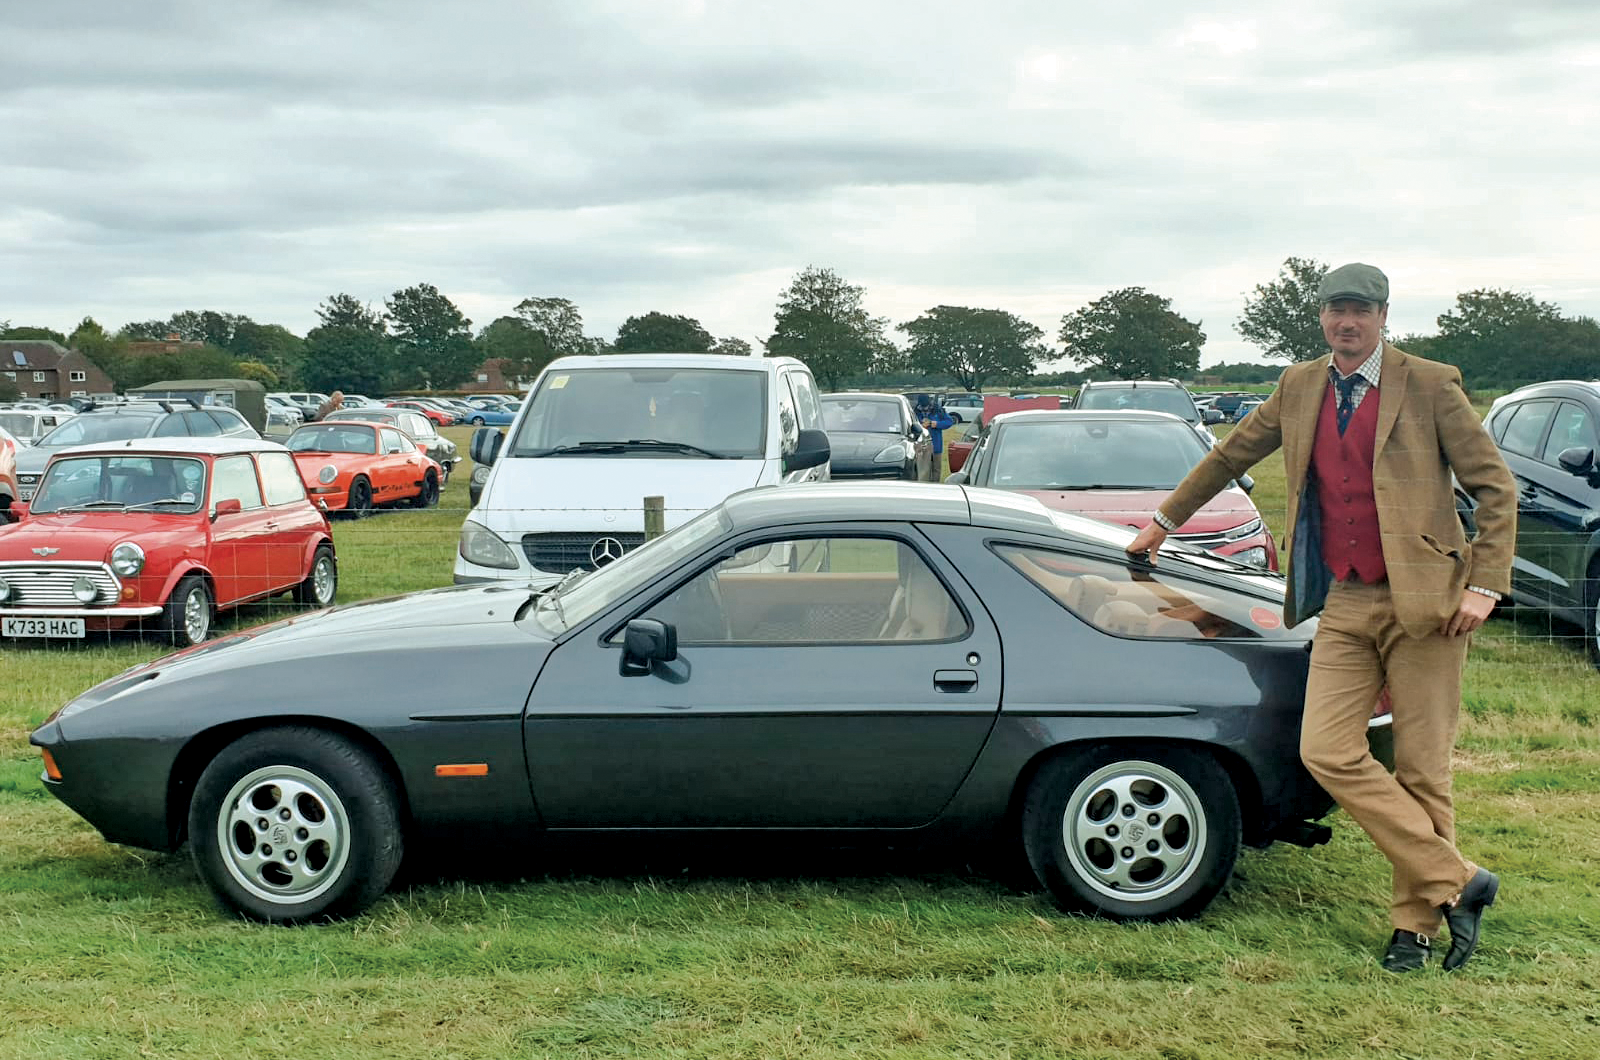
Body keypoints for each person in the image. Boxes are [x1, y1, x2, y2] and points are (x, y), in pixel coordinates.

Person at [1125, 263, 1516, 974]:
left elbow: (1495, 488)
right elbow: (1232, 454)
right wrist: (1164, 521)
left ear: (1383, 316)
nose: (1348, 321)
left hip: (1428, 602)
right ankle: (1459, 879)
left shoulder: (1431, 384)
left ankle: (1414, 928)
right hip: (1344, 599)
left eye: (1361, 310)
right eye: (1337, 309)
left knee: (1422, 770)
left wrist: (1485, 584)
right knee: (1327, 751)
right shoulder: (1299, 385)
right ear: (1322, 317)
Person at [916, 398, 955, 482]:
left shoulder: (938, 410)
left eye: (926, 407)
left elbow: (949, 422)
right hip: (921, 445)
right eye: (922, 407)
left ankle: (935, 485)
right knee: (923, 469)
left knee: (936, 468)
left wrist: (937, 424)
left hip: (936, 444)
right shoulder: (916, 411)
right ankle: (923, 485)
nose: (924, 408)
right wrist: (920, 426)